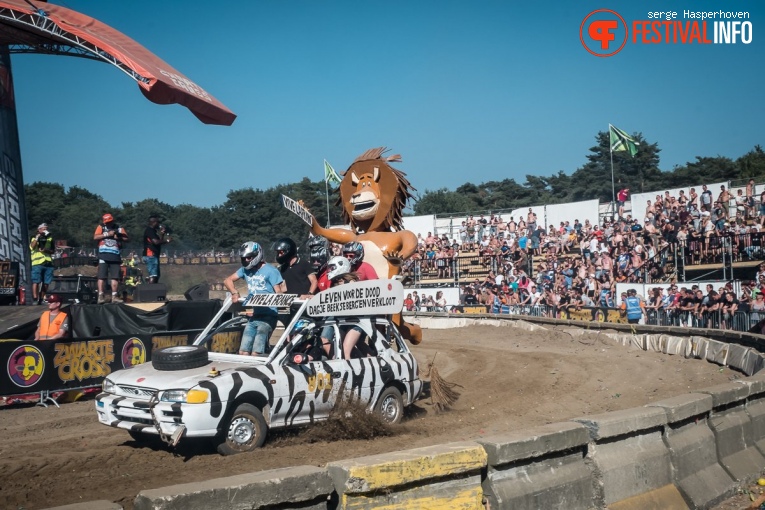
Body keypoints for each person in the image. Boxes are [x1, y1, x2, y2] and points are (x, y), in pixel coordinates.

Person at [223, 241, 286, 356]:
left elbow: (278, 291)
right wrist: (234, 292)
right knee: (243, 351)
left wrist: (279, 298)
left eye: (249, 258)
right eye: (244, 258)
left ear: (257, 255)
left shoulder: (271, 271)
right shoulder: (245, 270)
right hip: (255, 315)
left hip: (269, 315)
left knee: (256, 351)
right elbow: (228, 280)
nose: (246, 260)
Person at [94, 213, 128, 304]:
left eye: (109, 222)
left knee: (115, 277)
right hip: (103, 255)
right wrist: (107, 234)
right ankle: (100, 296)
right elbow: (95, 237)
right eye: (106, 222)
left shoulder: (119, 227)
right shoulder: (101, 227)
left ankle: (114, 296)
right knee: (101, 276)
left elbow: (126, 238)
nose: (108, 224)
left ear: (112, 220)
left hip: (115, 255)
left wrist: (119, 236)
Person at [29, 223, 55, 305]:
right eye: (44, 229)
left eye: (46, 229)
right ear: (39, 230)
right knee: (36, 281)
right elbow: (32, 247)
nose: (45, 230)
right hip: (37, 263)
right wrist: (37, 237)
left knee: (46, 282)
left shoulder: (50, 238)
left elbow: (53, 250)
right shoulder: (34, 237)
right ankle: (35, 298)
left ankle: (41, 298)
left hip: (48, 262)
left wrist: (45, 250)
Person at [142, 216, 171, 284]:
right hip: (150, 255)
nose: (159, 225)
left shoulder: (153, 231)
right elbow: (156, 242)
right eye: (158, 223)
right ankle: (150, 291)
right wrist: (167, 240)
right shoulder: (149, 230)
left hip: (154, 255)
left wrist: (162, 235)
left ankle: (153, 288)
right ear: (154, 222)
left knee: (157, 275)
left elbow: (158, 241)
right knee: (153, 275)